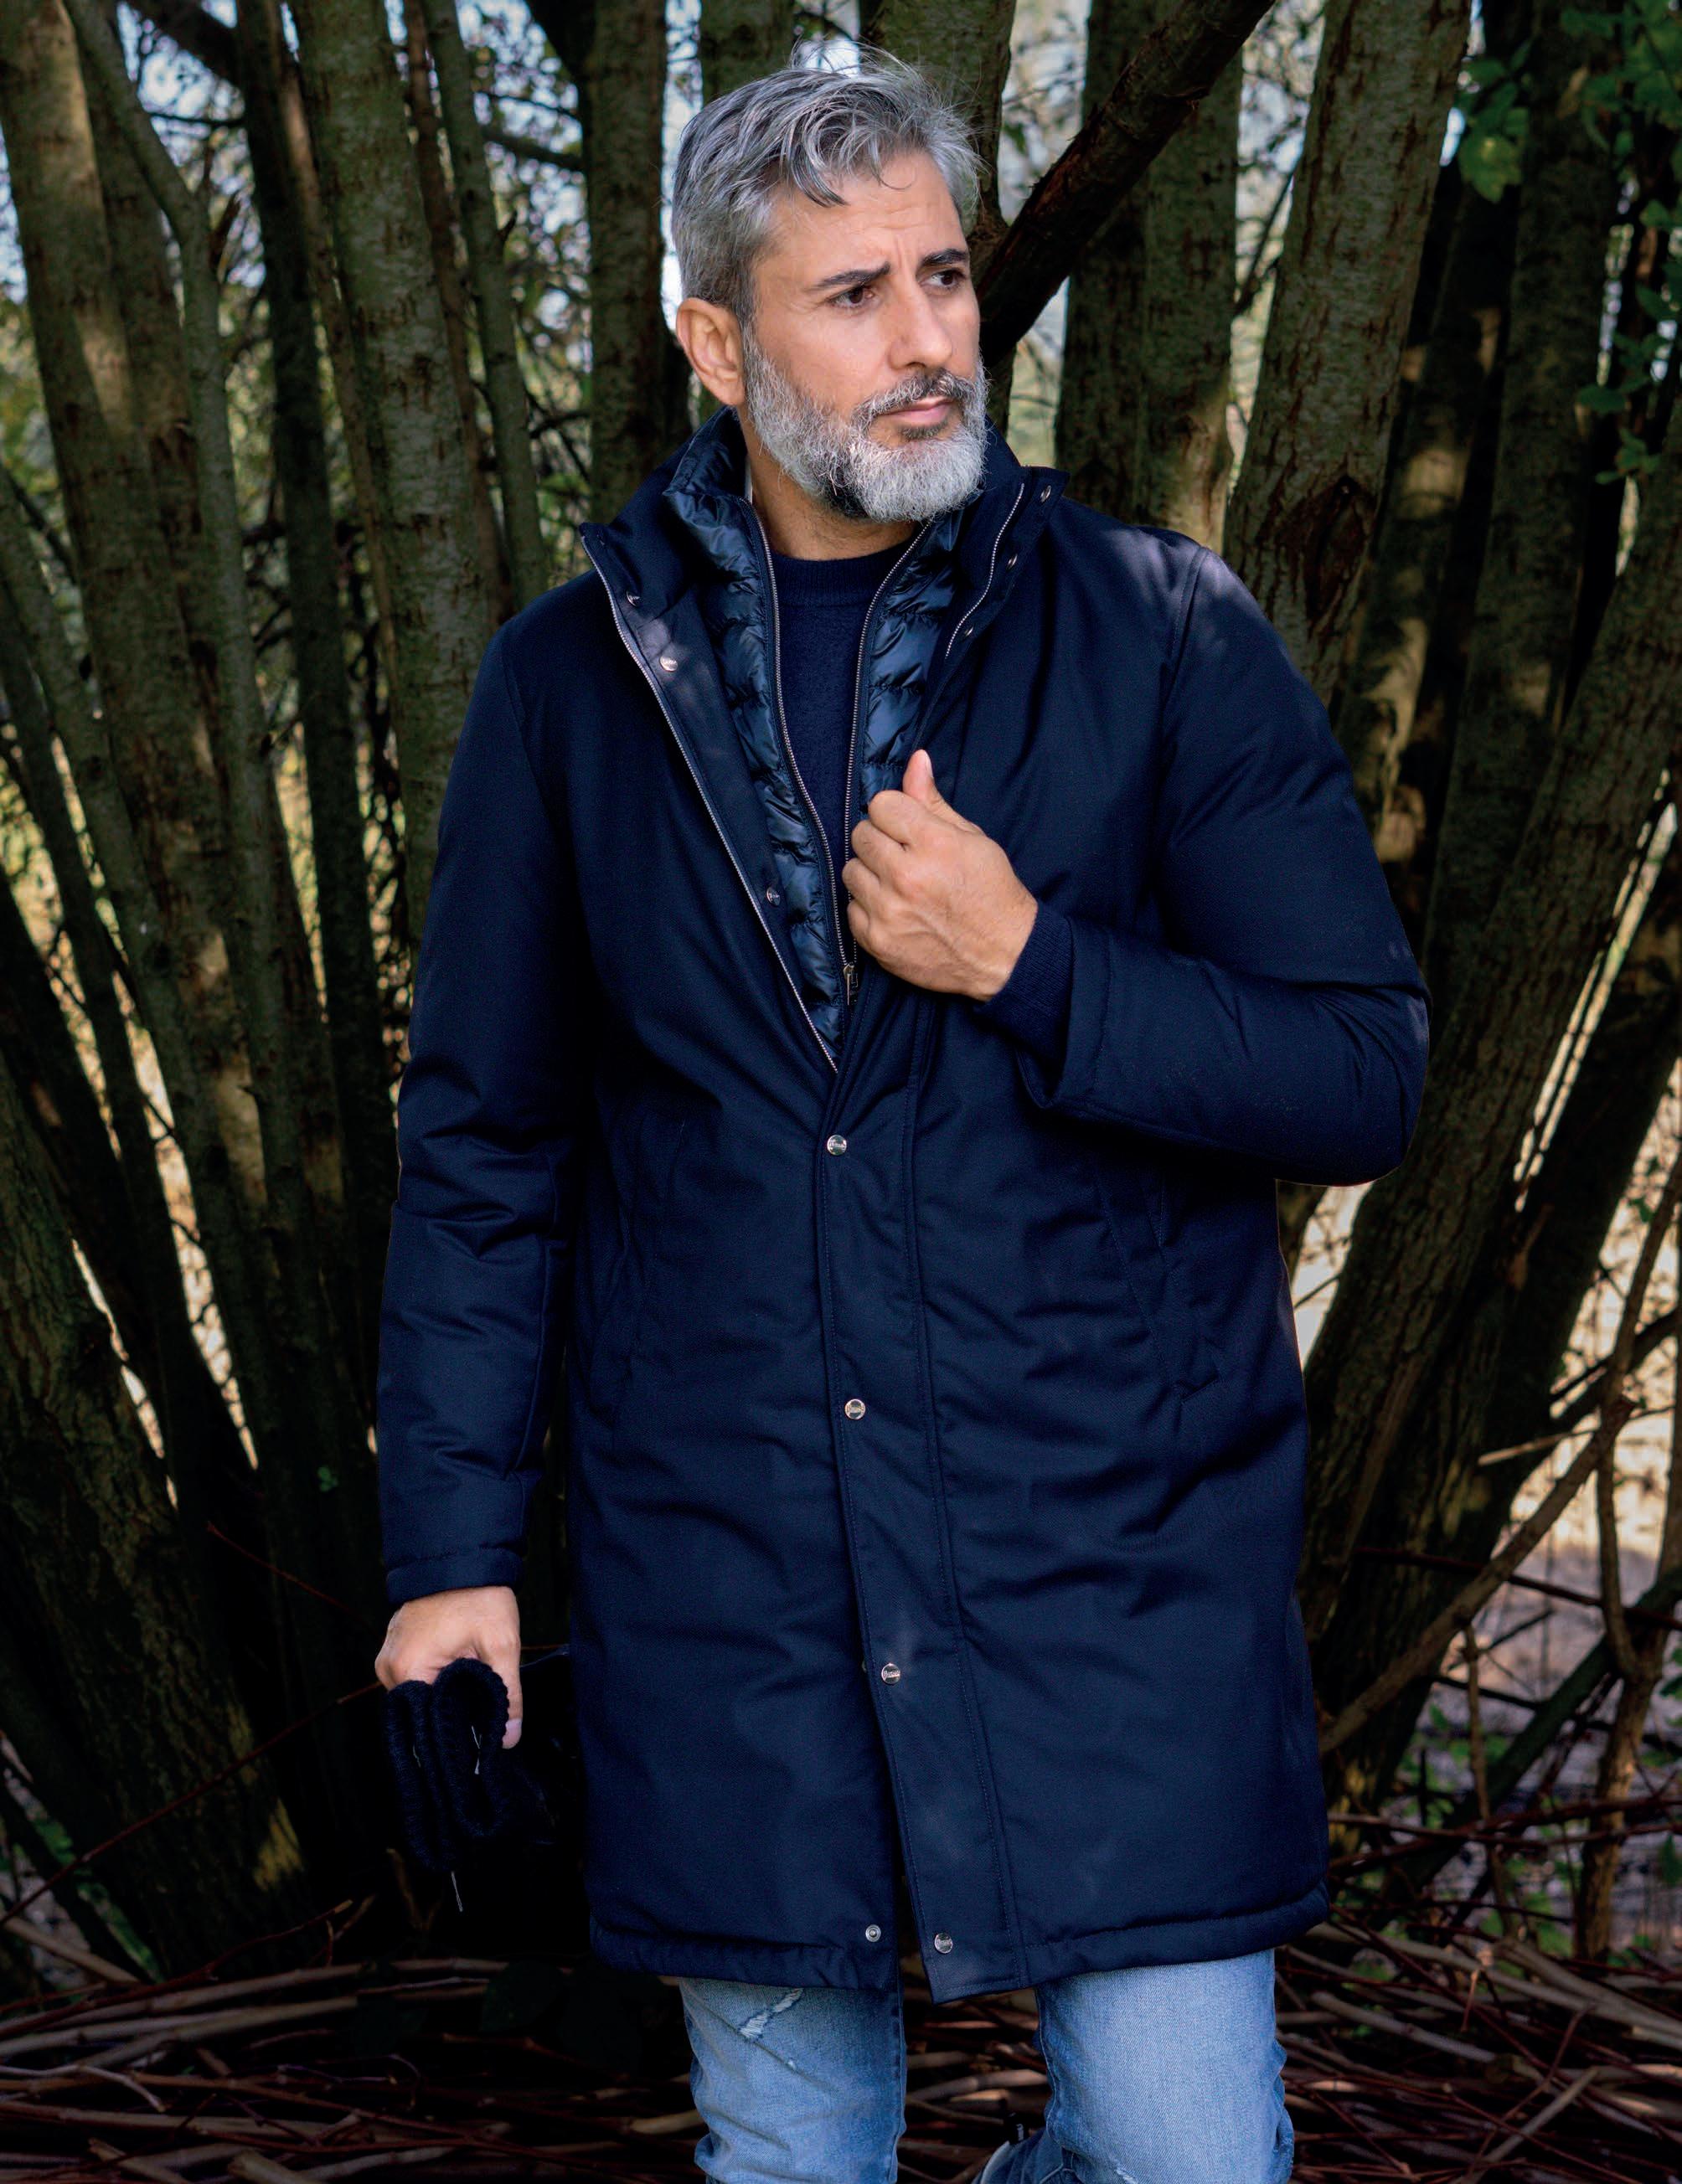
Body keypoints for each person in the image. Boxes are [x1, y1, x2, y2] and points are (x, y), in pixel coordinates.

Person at [373, 49, 1429, 2184]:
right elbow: (487, 1147)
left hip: (1110, 1550)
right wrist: (451, 1559)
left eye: (942, 275)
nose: (928, 334)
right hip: (730, 1567)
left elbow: (1357, 1066)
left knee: (1184, 2158)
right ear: (714, 340)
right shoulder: (569, 689)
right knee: (791, 2167)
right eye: (850, 293)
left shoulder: (1158, 632)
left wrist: (1030, 962)